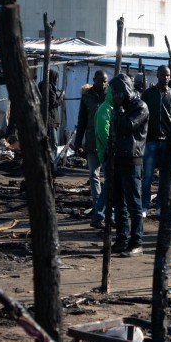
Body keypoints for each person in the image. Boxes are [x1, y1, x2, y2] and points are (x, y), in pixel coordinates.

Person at [108, 73, 149, 256]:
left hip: (132, 159)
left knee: (134, 203)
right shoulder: (121, 108)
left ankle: (136, 241)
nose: (114, 95)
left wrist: (118, 110)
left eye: (116, 91)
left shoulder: (140, 107)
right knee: (119, 202)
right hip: (118, 159)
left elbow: (126, 127)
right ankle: (122, 238)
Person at [73, 70, 108, 228]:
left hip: (107, 142)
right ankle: (98, 207)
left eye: (105, 81)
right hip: (92, 141)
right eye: (100, 80)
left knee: (108, 177)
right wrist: (78, 142)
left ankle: (105, 207)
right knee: (94, 175)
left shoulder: (111, 96)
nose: (103, 83)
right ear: (94, 80)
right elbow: (82, 120)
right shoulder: (87, 96)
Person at [140, 65, 171, 215]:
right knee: (147, 176)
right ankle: (143, 206)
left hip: (166, 141)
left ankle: (160, 206)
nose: (165, 78)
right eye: (162, 75)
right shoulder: (148, 94)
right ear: (157, 75)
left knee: (164, 178)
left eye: (167, 75)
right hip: (151, 140)